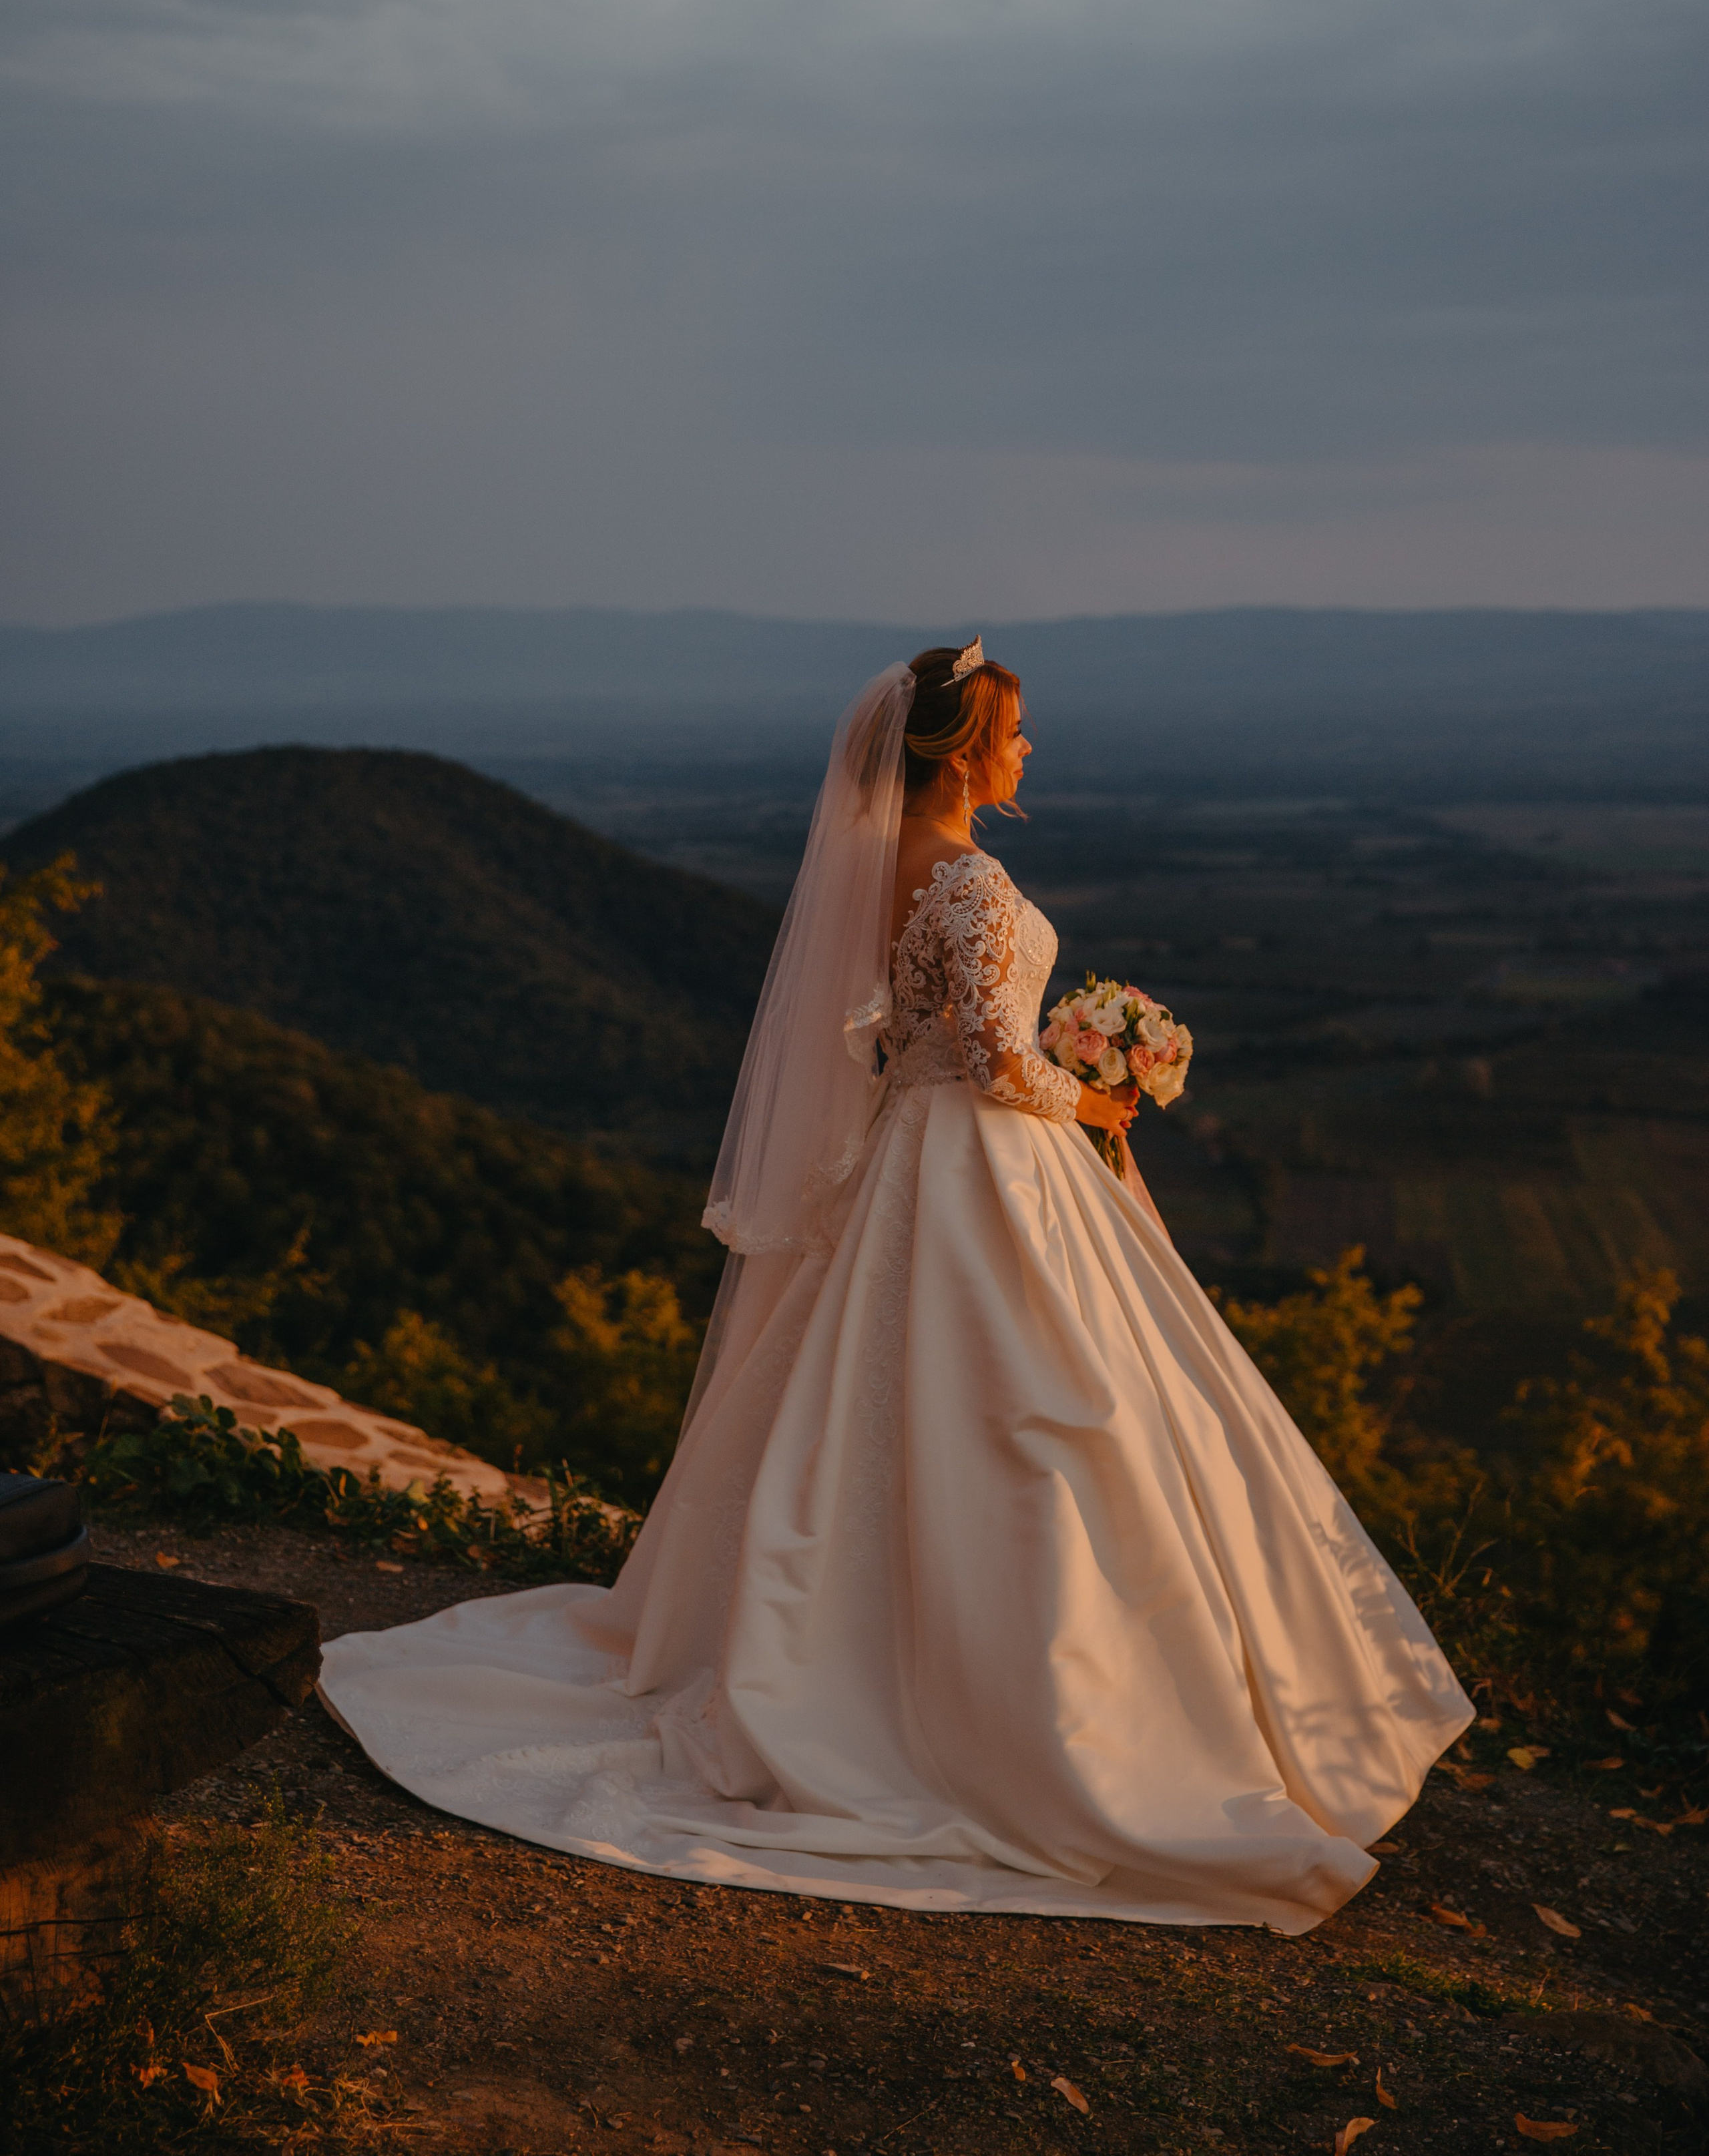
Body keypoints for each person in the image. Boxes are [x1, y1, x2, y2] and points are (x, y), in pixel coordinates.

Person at [320, 641, 1471, 1931]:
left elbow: (906, 1043)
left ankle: (871, 1653)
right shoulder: (970, 879)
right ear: (962, 749)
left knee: (890, 1408)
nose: (1027, 752)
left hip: (907, 1159)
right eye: (1015, 733)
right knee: (1042, 1410)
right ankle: (1032, 1712)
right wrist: (1099, 1090)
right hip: (986, 1166)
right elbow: (990, 1057)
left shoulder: (874, 870)